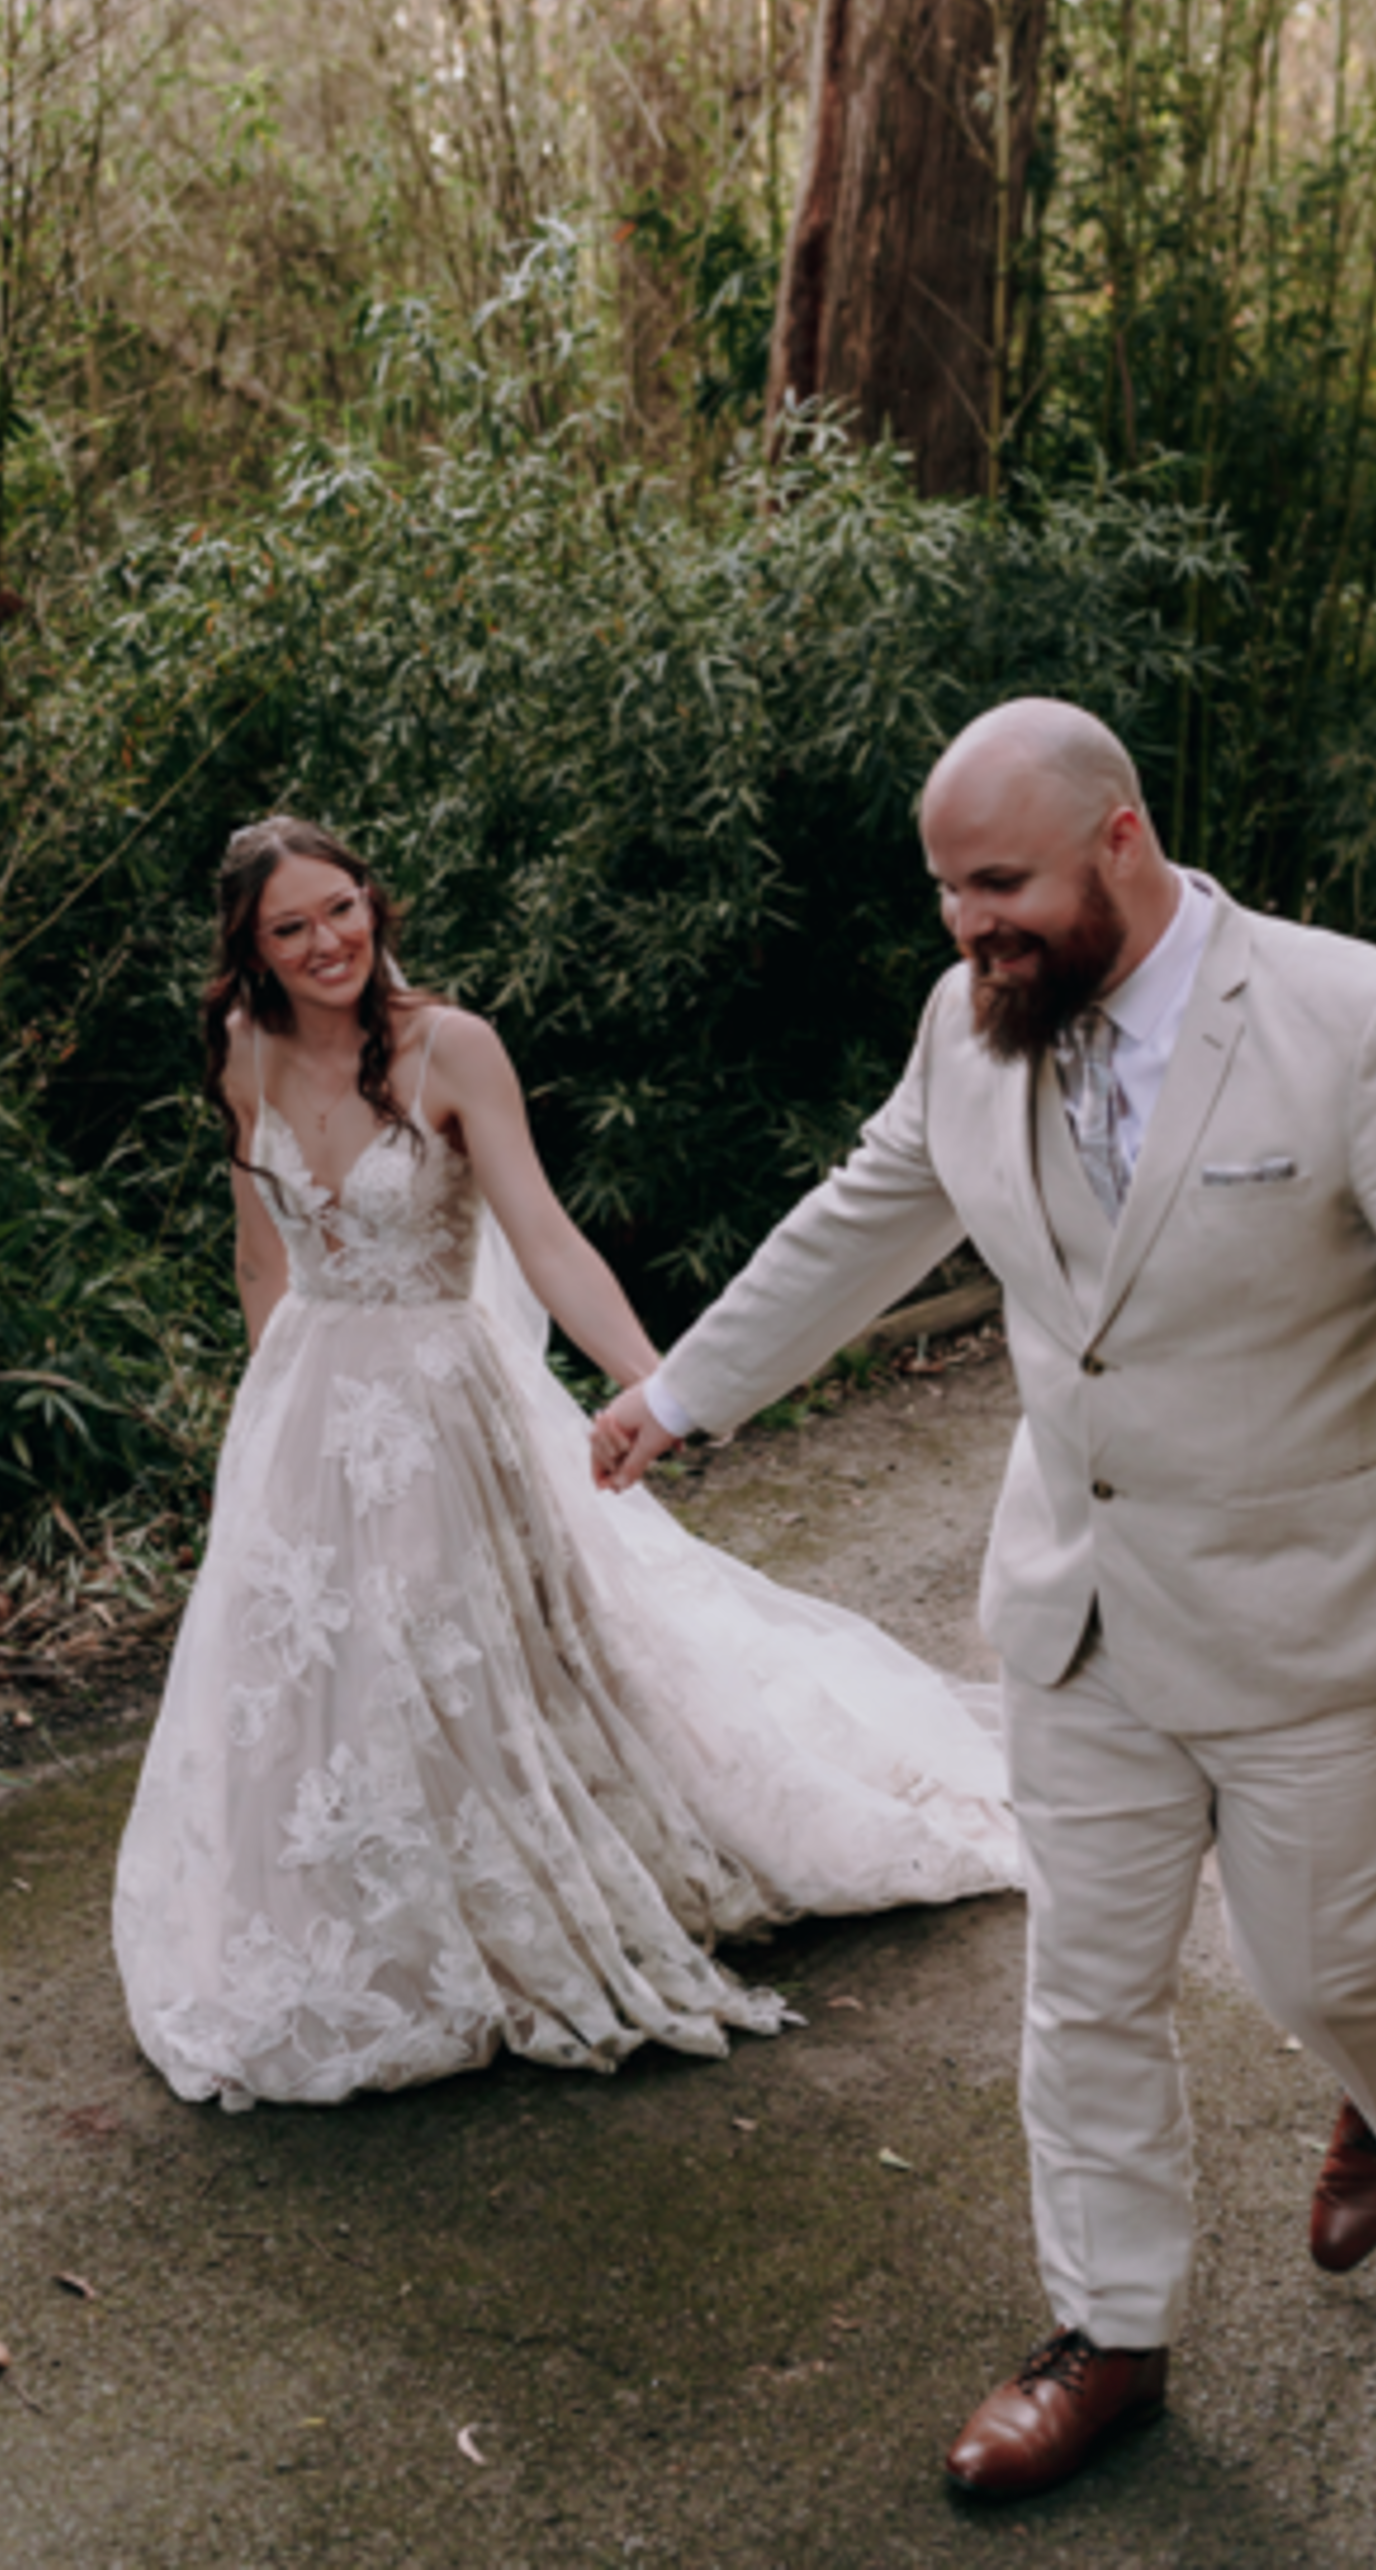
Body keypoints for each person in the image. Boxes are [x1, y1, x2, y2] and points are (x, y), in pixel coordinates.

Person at [593, 696, 1376, 2502]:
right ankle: (1109, 2336)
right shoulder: (968, 1020)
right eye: (946, 893)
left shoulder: (1358, 1020)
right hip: (1079, 1605)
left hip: (1324, 1616)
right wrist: (681, 1394)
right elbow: (865, 1214)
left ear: (1121, 842)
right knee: (1086, 1990)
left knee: (1318, 1963)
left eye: (1000, 885)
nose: (967, 927)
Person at [113, 814, 1019, 2109]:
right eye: (292, 926)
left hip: (437, 1402)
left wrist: (655, 1383)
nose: (329, 941)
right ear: (250, 952)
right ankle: (343, 1917)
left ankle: (507, 1890)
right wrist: (258, 1434)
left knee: (453, 1651)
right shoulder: (243, 1054)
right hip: (308, 1402)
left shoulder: (451, 1047)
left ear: (374, 901)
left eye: (342, 907)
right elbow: (263, 1255)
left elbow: (540, 1236)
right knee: (311, 1675)